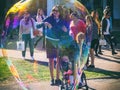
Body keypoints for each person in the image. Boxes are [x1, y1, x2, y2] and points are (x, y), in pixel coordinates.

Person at [37, 5, 68, 85]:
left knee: (58, 61)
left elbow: (66, 31)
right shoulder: (49, 18)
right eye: (54, 10)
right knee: (51, 61)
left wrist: (65, 30)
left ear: (60, 12)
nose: (54, 12)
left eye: (56, 11)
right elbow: (37, 25)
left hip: (58, 43)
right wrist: (45, 23)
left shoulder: (62, 20)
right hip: (50, 42)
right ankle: (52, 79)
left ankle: (57, 79)